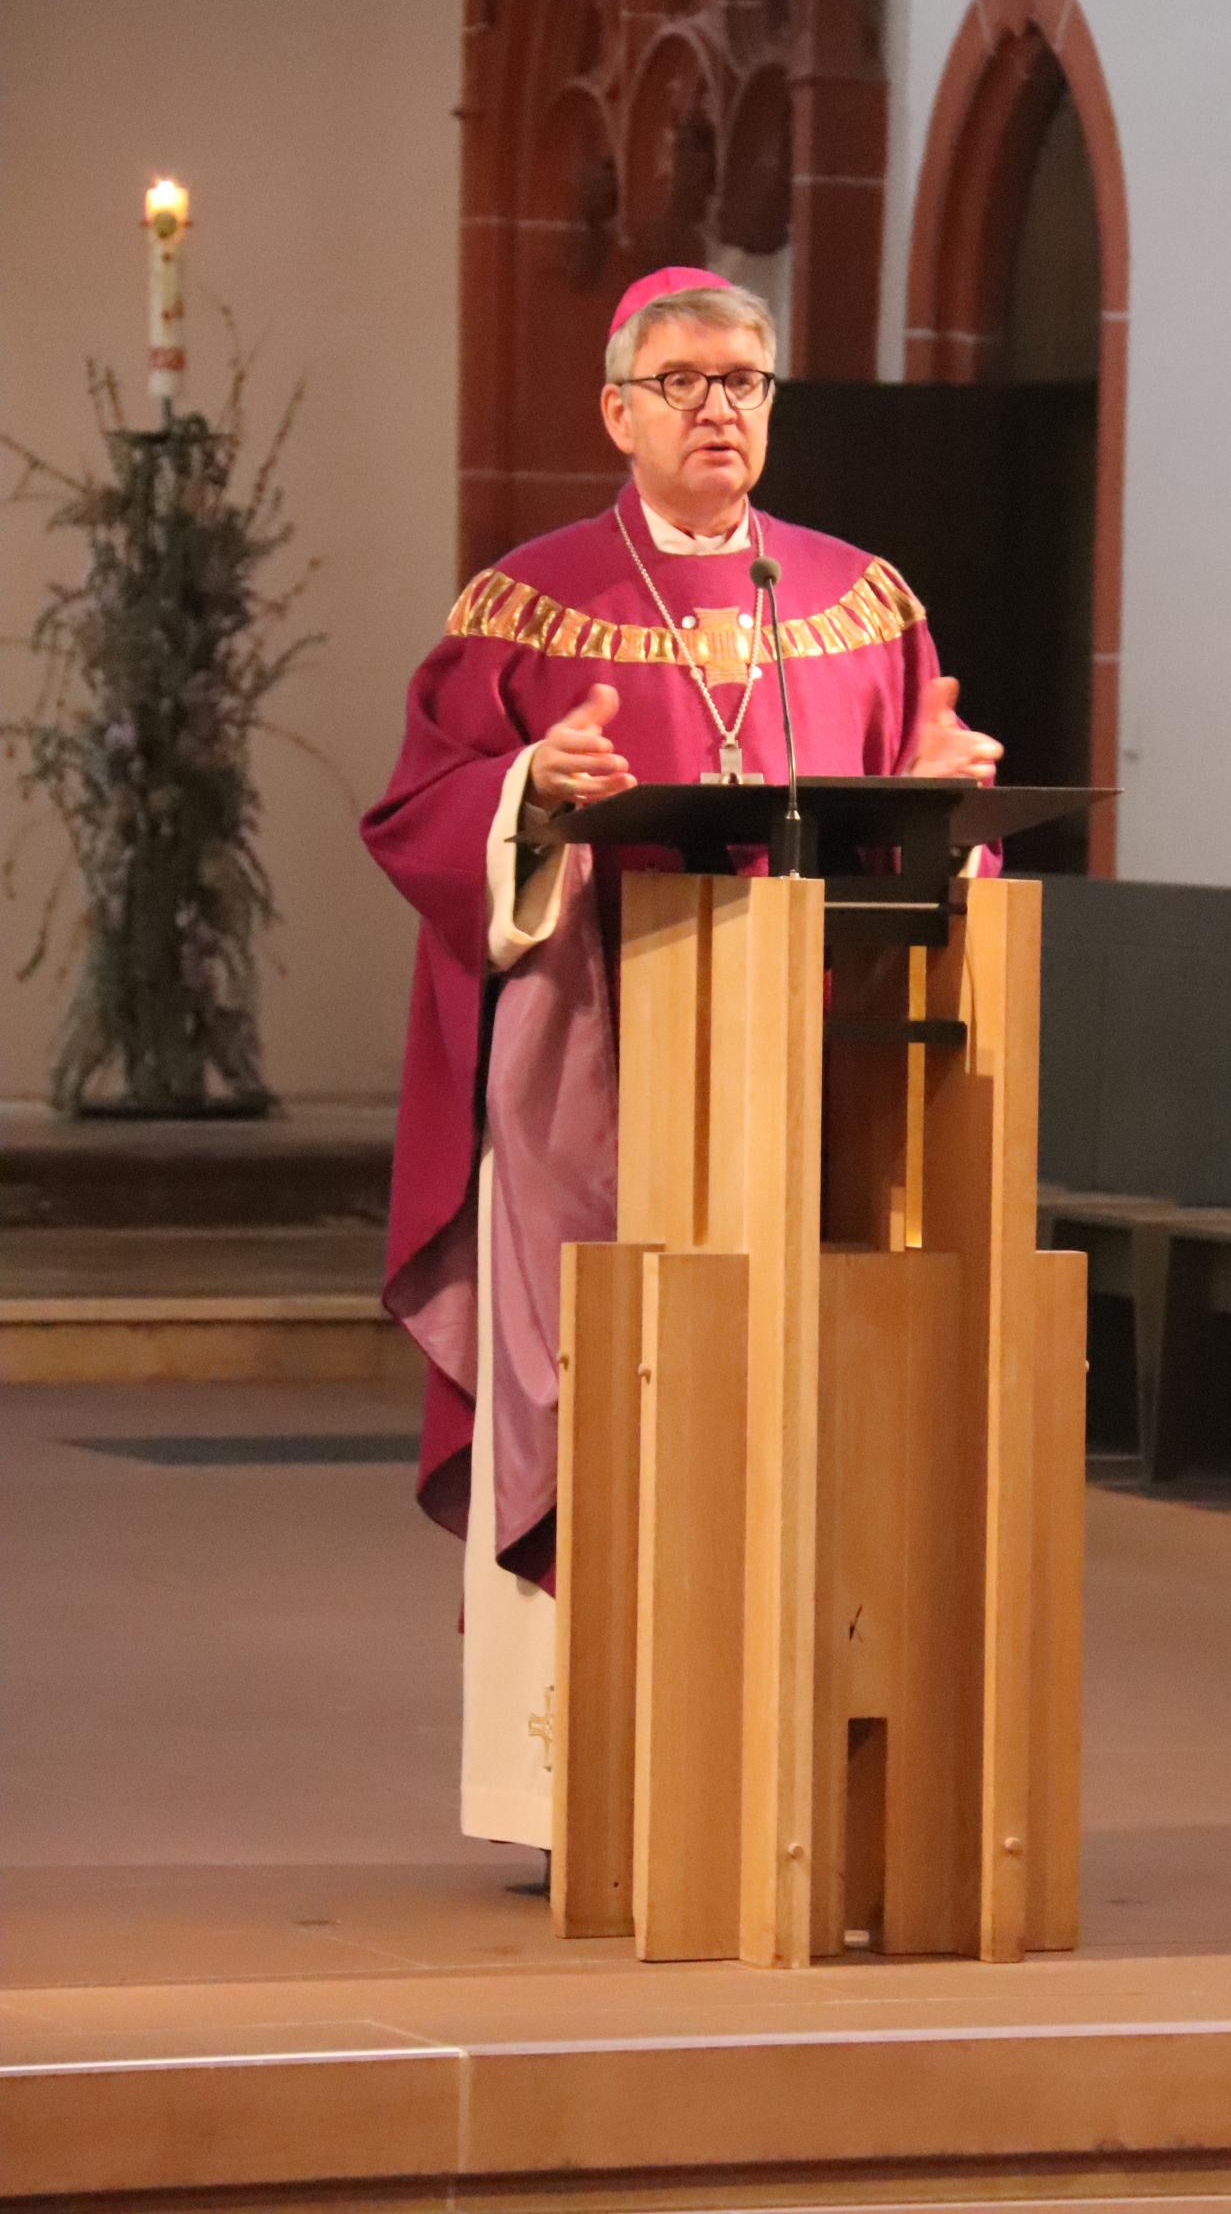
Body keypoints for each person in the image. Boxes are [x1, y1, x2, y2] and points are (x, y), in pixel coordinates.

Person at [361, 267, 1000, 1850]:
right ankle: (573, 1787)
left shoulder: (865, 602)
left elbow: (915, 835)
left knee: (792, 1391)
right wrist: (532, 789)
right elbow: (419, 816)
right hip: (588, 1062)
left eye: (750, 380)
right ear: (618, 411)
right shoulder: (526, 601)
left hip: (804, 1073)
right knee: (589, 1390)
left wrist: (937, 808)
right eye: (689, 380)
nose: (724, 406)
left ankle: (778, 1765)